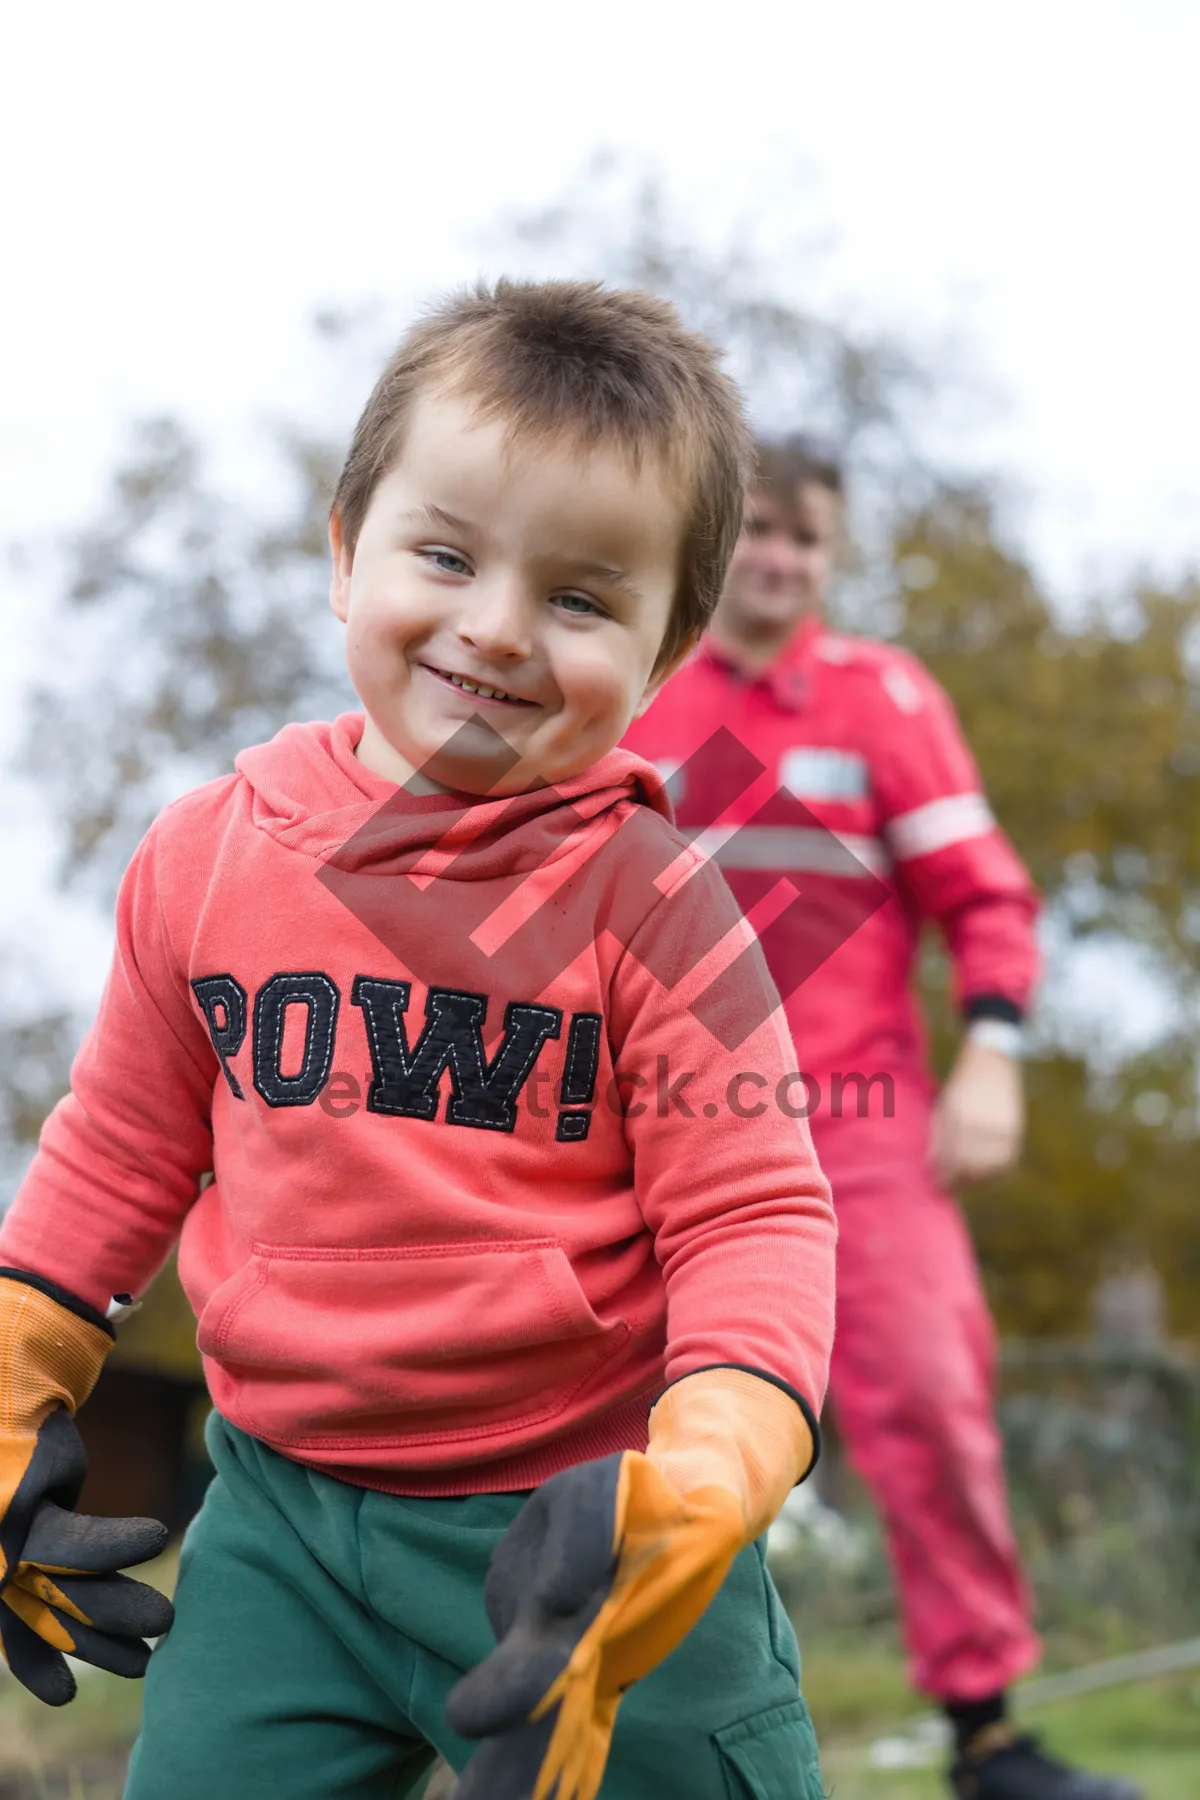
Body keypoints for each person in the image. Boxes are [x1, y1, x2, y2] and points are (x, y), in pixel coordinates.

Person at [0, 284, 837, 1800]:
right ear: (345, 548)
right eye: (445, 555)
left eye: (583, 599)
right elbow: (118, 1150)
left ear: (668, 647)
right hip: (276, 1525)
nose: (499, 628)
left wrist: (708, 1477)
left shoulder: (658, 906)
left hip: (582, 1532)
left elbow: (757, 1214)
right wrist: (13, 1375)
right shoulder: (205, 855)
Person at [622, 437, 1141, 1800]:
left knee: (931, 1396)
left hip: (860, 1119)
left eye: (812, 541)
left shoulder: (884, 699)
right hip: (649, 1117)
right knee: (608, 1416)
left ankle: (986, 1737)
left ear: (830, 559)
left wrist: (996, 1058)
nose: (784, 562)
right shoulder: (634, 686)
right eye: (765, 534)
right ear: (716, 537)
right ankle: (585, 1708)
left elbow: (987, 897)